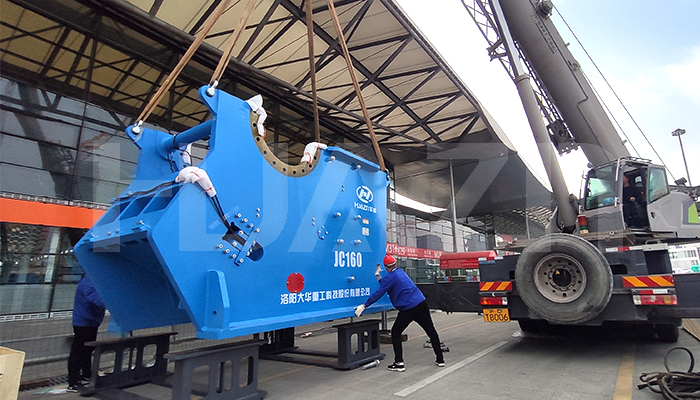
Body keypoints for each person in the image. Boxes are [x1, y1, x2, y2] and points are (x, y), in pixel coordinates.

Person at [354, 254, 445, 372]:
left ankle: (399, 363)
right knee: (431, 331)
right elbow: (388, 284)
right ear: (395, 264)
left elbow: (379, 292)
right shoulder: (401, 272)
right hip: (421, 304)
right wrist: (379, 277)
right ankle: (440, 359)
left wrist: (364, 305)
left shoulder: (390, 277)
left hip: (408, 309)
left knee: (396, 332)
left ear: (386, 267)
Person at [67, 276, 106, 392]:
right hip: (83, 322)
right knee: (78, 351)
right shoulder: (88, 283)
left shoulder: (93, 281)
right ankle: (73, 382)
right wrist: (113, 303)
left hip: (91, 321)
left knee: (87, 349)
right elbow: (97, 300)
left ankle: (86, 374)